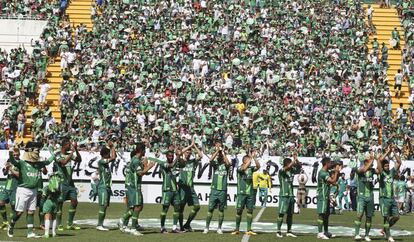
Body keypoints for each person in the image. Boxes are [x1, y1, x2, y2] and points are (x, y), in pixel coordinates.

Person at [7, 142, 55, 238]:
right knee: (19, 212)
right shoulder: (22, 163)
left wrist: (54, 154)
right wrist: (10, 153)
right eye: (36, 150)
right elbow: (13, 161)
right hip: (23, 190)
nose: (38, 152)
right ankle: (11, 224)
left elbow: (48, 161)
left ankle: (30, 233)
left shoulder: (38, 164)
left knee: (31, 211)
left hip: (34, 190)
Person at [118, 143, 154, 236]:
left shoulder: (136, 160)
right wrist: (149, 166)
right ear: (141, 150)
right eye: (144, 150)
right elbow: (140, 173)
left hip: (134, 186)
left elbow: (141, 172)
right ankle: (132, 227)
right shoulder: (135, 161)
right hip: (134, 187)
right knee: (137, 207)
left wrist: (145, 166)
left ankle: (123, 222)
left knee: (138, 206)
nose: (145, 151)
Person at [53, 138, 82, 231]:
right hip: (61, 183)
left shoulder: (69, 154)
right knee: (60, 204)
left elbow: (79, 159)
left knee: (74, 202)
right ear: (64, 145)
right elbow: (63, 162)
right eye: (69, 145)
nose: (70, 146)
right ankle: (59, 224)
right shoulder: (57, 154)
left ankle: (69, 224)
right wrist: (71, 153)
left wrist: (76, 150)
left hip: (70, 183)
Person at [203, 141, 231, 234]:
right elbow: (210, 160)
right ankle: (207, 227)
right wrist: (217, 151)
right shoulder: (215, 165)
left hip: (222, 190)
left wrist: (222, 152)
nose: (219, 157)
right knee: (210, 209)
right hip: (214, 190)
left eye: (220, 157)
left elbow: (229, 163)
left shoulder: (225, 166)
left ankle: (219, 228)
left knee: (221, 210)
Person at [231, 150, 260, 236]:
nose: (250, 162)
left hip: (250, 193)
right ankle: (237, 229)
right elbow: (244, 168)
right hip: (241, 193)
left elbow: (258, 166)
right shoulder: (240, 168)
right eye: (248, 160)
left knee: (250, 211)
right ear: (244, 161)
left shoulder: (251, 169)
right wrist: (251, 157)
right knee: (239, 211)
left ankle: (249, 229)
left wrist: (254, 158)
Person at [177, 138, 203, 232]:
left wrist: (194, 146)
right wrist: (189, 146)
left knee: (197, 206)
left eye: (189, 152)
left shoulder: (193, 162)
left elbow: (201, 155)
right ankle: (181, 227)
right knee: (181, 208)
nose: (188, 153)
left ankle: (187, 224)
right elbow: (179, 153)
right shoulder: (181, 162)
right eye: (187, 152)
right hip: (183, 188)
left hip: (191, 188)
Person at [377, 145, 401, 242]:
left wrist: (393, 152)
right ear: (383, 167)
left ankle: (384, 230)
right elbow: (379, 160)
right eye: (385, 166)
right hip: (384, 198)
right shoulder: (381, 173)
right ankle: (388, 236)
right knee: (386, 217)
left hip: (391, 198)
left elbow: (399, 162)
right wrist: (387, 151)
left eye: (388, 165)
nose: (387, 167)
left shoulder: (391, 172)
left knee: (396, 217)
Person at [156, 150, 182, 233]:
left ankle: (174, 227)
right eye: (169, 156)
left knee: (177, 207)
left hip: (175, 190)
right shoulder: (163, 163)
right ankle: (162, 227)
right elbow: (171, 165)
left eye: (172, 156)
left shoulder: (175, 163)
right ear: (166, 156)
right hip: (167, 190)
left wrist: (180, 155)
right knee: (165, 209)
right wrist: (178, 156)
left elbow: (183, 164)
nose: (171, 157)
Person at [276, 154, 301, 238]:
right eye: (290, 163)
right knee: (281, 214)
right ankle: (278, 231)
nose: (292, 165)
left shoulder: (291, 171)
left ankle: (289, 231)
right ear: (287, 164)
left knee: (290, 214)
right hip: (283, 195)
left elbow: (299, 167)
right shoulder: (281, 171)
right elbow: (287, 168)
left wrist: (296, 160)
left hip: (291, 195)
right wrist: (293, 161)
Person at [354, 154, 378, 241]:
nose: (371, 163)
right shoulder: (359, 169)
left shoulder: (372, 170)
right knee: (359, 215)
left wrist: (377, 160)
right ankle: (357, 234)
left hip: (370, 197)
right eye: (368, 161)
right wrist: (371, 160)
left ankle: (367, 235)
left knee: (369, 217)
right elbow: (363, 170)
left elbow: (380, 170)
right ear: (365, 162)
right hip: (361, 196)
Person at [316, 157, 341, 240]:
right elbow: (333, 181)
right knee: (321, 214)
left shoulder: (326, 172)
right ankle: (320, 233)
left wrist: (337, 173)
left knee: (326, 215)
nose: (331, 164)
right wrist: (336, 172)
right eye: (330, 163)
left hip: (326, 196)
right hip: (322, 196)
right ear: (326, 163)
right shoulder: (323, 173)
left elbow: (333, 181)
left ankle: (326, 232)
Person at [96, 141, 116, 231]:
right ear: (105, 154)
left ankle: (101, 224)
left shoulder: (106, 163)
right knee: (103, 205)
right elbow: (113, 157)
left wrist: (112, 148)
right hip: (103, 187)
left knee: (105, 206)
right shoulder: (101, 161)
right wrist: (112, 147)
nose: (109, 154)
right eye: (108, 153)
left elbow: (113, 157)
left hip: (107, 187)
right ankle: (99, 225)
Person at [0, 147, 20, 229]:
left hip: (15, 188)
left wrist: (11, 169)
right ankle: (5, 221)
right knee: (1, 203)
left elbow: (19, 175)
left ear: (19, 154)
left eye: (16, 155)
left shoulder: (20, 163)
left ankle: (12, 223)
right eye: (13, 155)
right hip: (7, 187)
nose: (15, 156)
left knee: (13, 206)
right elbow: (4, 173)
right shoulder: (9, 161)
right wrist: (7, 168)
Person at [42, 173, 62, 238]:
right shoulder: (59, 188)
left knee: (47, 216)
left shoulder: (47, 187)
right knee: (54, 217)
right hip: (55, 202)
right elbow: (60, 195)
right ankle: (54, 233)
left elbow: (43, 195)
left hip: (48, 202)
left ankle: (46, 234)